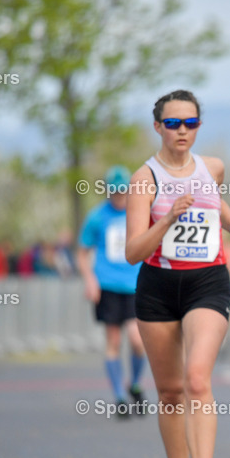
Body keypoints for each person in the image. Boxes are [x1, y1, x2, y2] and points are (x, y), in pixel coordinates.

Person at [125, 89, 230, 458]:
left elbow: (213, 201)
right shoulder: (145, 178)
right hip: (158, 286)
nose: (183, 131)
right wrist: (165, 219)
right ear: (158, 126)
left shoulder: (211, 167)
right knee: (171, 391)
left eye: (191, 123)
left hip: (207, 281)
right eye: (174, 123)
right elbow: (132, 251)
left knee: (197, 378)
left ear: (199, 125)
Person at [77, 166, 148, 417]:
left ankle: (135, 383)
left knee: (138, 340)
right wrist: (89, 280)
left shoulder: (139, 213)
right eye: (115, 192)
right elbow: (82, 252)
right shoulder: (97, 217)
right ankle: (119, 395)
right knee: (113, 341)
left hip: (135, 285)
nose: (119, 196)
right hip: (107, 286)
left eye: (123, 191)